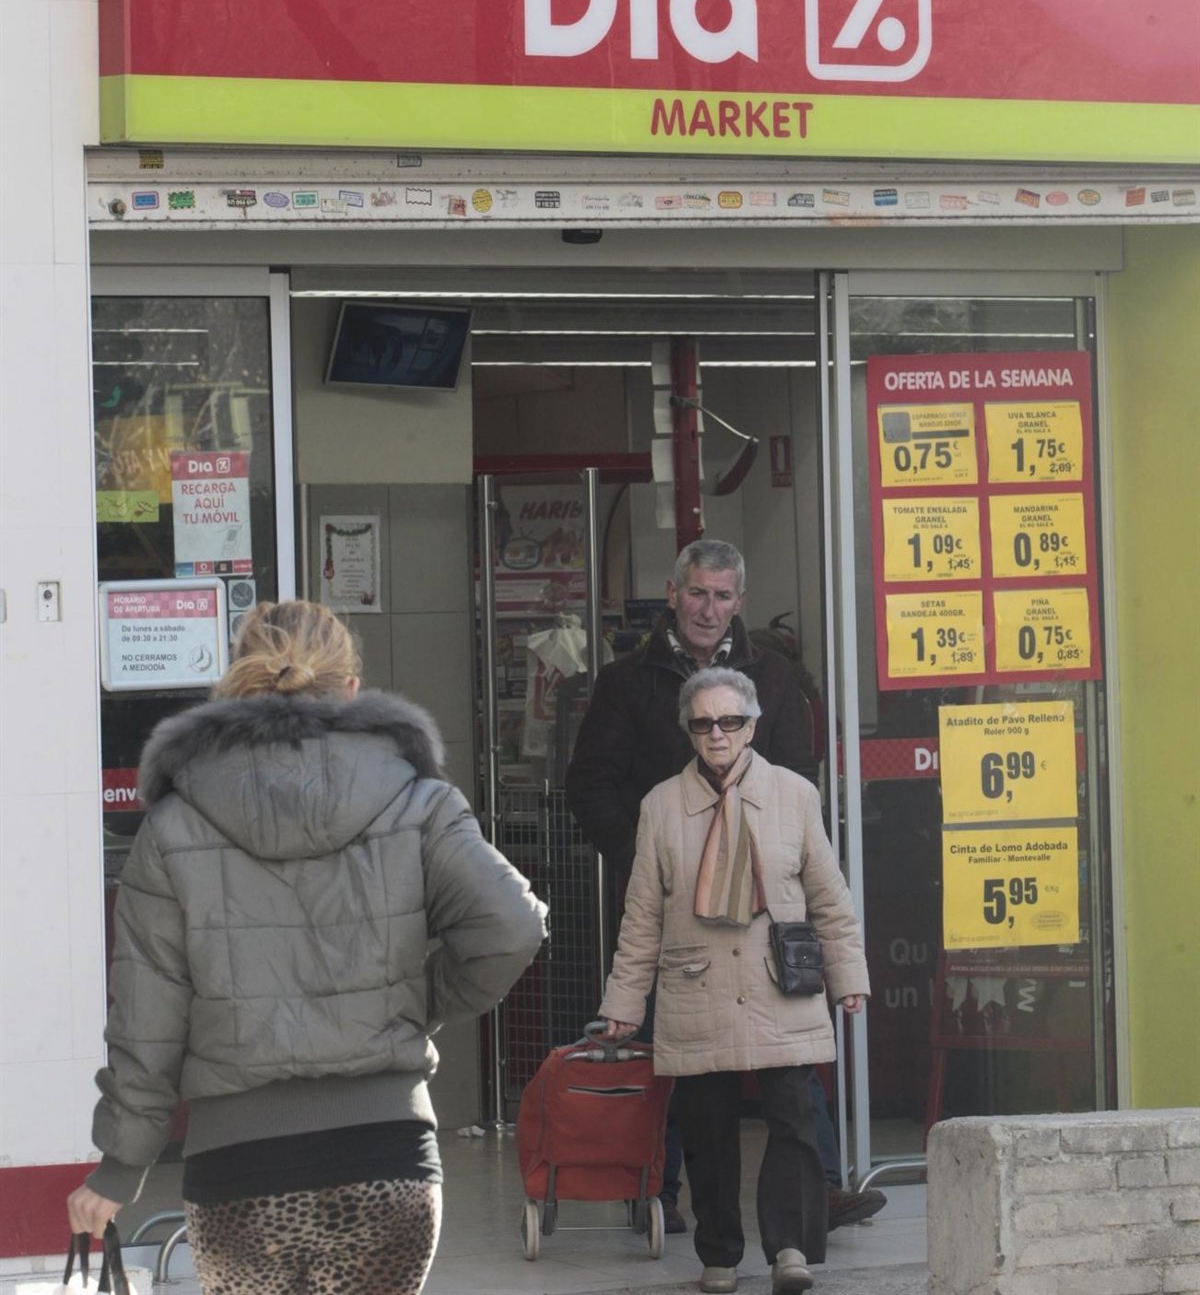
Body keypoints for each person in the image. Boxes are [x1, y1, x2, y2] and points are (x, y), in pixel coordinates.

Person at [67, 600, 548, 1295]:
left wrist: (121, 1166)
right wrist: (417, 1001)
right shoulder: (418, 801)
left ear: (236, 686)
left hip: (238, 1168)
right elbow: (512, 925)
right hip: (389, 1156)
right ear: (351, 689)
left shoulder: (173, 825)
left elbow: (148, 1017)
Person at [565, 539, 883, 1231]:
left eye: (722, 595)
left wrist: (771, 859)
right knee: (673, 1053)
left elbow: (798, 780)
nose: (708, 609)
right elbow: (589, 785)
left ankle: (819, 1191)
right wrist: (652, 856)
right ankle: (657, 1191)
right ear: (673, 594)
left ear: (739, 600)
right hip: (673, 904)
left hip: (770, 908)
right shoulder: (627, 682)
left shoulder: (775, 678)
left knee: (790, 1054)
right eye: (696, 593)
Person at [599, 668, 870, 1295]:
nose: (716, 733)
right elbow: (642, 916)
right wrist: (624, 1001)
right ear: (688, 730)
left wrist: (847, 975)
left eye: (729, 721)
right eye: (702, 723)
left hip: (781, 985)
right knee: (707, 1130)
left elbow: (829, 899)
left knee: (794, 1121)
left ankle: (791, 1249)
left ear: (751, 727)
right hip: (697, 988)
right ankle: (718, 1254)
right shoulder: (660, 805)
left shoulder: (794, 795)